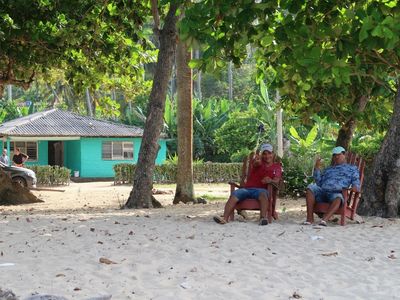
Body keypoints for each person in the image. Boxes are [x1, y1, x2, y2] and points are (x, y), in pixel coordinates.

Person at [213, 143, 282, 226]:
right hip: (247, 189)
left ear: (273, 154)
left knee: (263, 195)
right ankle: (224, 218)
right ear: (261, 155)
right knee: (235, 194)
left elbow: (276, 180)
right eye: (264, 153)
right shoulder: (258, 162)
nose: (267, 156)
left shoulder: (276, 166)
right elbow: (256, 163)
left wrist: (270, 180)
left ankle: (263, 218)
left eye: (269, 153)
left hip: (262, 191)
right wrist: (256, 160)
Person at [304, 146, 360, 226]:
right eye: (334, 155)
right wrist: (317, 168)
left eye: (338, 155)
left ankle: (324, 220)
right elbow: (319, 182)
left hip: (336, 193)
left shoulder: (352, 168)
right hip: (322, 192)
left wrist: (355, 186)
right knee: (310, 188)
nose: (336, 157)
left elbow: (356, 181)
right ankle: (309, 219)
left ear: (344, 155)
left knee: (338, 198)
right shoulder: (328, 169)